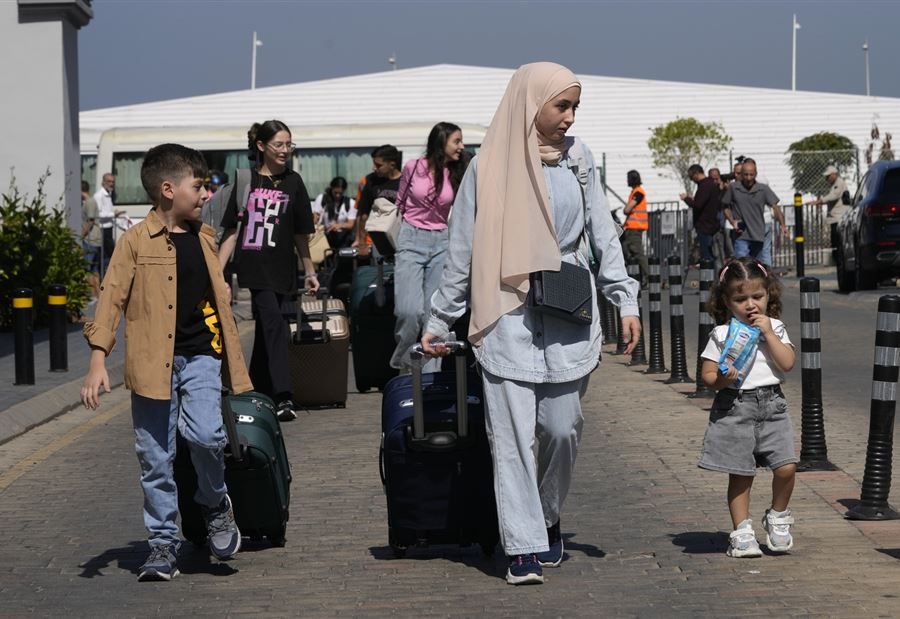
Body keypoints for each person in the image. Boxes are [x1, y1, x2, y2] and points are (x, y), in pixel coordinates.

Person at [421, 63, 641, 585]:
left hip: (567, 305)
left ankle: (545, 515)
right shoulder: (486, 166)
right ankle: (522, 545)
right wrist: (439, 318)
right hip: (506, 310)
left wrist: (624, 300)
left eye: (574, 108)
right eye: (560, 106)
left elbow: (603, 235)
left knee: (563, 429)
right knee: (513, 436)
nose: (568, 118)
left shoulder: (580, 160)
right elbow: (461, 253)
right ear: (530, 103)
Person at [80, 143, 253, 582]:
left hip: (200, 356)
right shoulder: (134, 242)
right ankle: (162, 543)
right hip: (150, 363)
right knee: (154, 457)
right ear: (168, 190)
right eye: (198, 186)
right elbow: (111, 298)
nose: (205, 194)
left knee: (207, 435)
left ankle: (215, 504)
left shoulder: (205, 237)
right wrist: (98, 362)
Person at [217, 120, 319, 422]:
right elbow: (232, 232)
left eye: (289, 144)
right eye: (279, 144)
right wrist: (216, 274)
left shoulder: (294, 181)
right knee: (274, 324)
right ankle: (284, 395)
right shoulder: (247, 181)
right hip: (255, 267)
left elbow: (302, 233)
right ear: (262, 146)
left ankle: (253, 388)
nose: (285, 150)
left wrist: (309, 271)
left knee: (266, 329)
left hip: (283, 269)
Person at [699, 257, 797, 558]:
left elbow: (787, 363)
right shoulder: (722, 334)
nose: (751, 305)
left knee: (787, 465)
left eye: (758, 296)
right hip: (736, 406)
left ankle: (778, 516)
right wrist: (721, 380)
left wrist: (768, 334)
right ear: (727, 302)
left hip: (772, 404)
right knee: (741, 473)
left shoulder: (776, 328)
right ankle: (742, 531)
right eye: (741, 299)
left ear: (769, 296)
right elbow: (707, 375)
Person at [391, 122, 468, 373]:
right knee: (408, 311)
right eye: (456, 141)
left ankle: (429, 377)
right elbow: (400, 203)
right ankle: (404, 363)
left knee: (433, 315)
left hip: (442, 242)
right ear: (441, 141)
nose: (461, 146)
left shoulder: (459, 172)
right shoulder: (413, 167)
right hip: (411, 239)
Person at [722, 159, 787, 266]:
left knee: (761, 264)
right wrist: (732, 221)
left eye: (751, 175)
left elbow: (776, 207)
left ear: (756, 174)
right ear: (741, 174)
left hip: (758, 233)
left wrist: (783, 225)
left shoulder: (763, 189)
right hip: (741, 234)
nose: (748, 178)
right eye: (745, 175)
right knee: (742, 265)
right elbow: (725, 206)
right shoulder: (734, 188)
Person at [354, 144, 403, 258]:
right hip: (377, 241)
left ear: (392, 164)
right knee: (381, 273)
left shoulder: (405, 182)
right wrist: (362, 244)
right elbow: (364, 215)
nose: (374, 168)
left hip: (402, 240)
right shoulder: (371, 181)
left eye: (378, 165)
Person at [680, 164, 721, 266]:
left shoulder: (705, 185)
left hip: (705, 225)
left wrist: (686, 199)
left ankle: (709, 279)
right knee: (710, 254)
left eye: (692, 177)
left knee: (707, 256)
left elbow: (698, 205)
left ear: (696, 174)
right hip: (710, 224)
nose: (692, 180)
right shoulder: (710, 184)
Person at [809, 164, 851, 252]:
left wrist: (818, 201)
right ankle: (839, 262)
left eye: (828, 176)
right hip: (835, 218)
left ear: (834, 174)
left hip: (839, 218)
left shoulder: (839, 183)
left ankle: (840, 262)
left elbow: (833, 196)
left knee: (837, 242)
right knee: (835, 242)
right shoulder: (835, 184)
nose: (827, 179)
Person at [313, 176, 357, 249]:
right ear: (331, 188)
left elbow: (351, 224)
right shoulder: (322, 199)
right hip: (324, 237)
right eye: (335, 192)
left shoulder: (350, 203)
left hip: (343, 240)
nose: (338, 195)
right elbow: (315, 218)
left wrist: (339, 225)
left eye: (340, 193)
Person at [93, 173, 125, 276]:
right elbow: (98, 214)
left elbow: (107, 211)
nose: (111, 184)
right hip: (102, 228)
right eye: (109, 181)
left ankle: (107, 275)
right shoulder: (99, 196)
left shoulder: (108, 194)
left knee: (109, 254)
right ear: (103, 182)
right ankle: (104, 276)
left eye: (113, 182)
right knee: (106, 254)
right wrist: (113, 214)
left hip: (108, 227)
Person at [621, 169, 649, 284]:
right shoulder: (635, 192)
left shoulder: (638, 192)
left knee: (638, 253)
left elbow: (627, 209)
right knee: (631, 253)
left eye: (628, 178)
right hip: (631, 228)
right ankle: (640, 278)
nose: (626, 181)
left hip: (635, 228)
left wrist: (626, 209)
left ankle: (648, 277)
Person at [80, 180, 102, 298]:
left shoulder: (89, 202)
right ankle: (97, 295)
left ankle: (92, 296)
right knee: (93, 269)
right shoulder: (89, 202)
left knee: (88, 268)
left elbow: (90, 221)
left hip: (91, 239)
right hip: (93, 240)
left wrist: (81, 235)